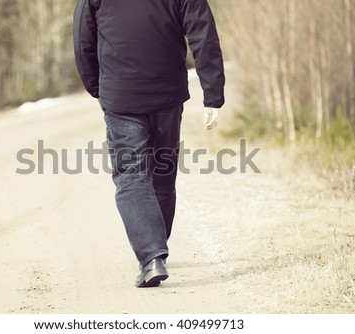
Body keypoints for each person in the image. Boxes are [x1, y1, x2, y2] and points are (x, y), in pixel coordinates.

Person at [73, 0, 225, 288]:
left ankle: (151, 255)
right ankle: (155, 249)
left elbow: (83, 40)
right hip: (167, 94)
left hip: (121, 94)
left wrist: (98, 86)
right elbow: (202, 33)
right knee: (162, 174)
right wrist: (212, 93)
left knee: (132, 175)